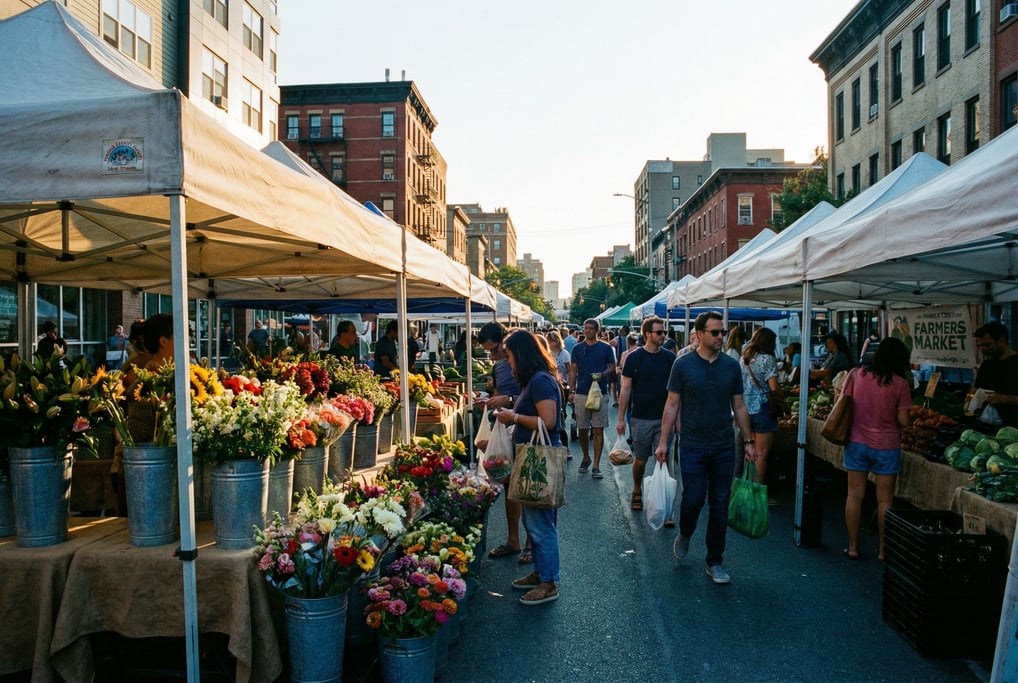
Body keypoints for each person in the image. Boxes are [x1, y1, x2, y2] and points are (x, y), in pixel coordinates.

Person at [655, 311, 756, 585]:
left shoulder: (731, 366)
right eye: (715, 332)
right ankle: (686, 532)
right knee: (693, 499)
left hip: (723, 445)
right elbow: (672, 404)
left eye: (723, 332)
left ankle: (715, 561)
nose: (721, 336)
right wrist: (664, 442)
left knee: (720, 504)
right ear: (699, 334)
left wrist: (748, 441)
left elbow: (739, 405)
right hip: (692, 444)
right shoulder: (683, 365)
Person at [494, 329, 563, 606]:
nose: (508, 363)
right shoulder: (535, 380)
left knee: (542, 524)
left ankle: (548, 583)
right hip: (530, 455)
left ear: (521, 355)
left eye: (509, 356)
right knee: (534, 521)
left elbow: (547, 421)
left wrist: (514, 417)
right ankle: (540, 573)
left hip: (539, 459)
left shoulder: (541, 381)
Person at [842, 336, 913, 561]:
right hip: (887, 445)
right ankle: (883, 551)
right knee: (885, 500)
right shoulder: (901, 384)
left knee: (854, 495)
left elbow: (843, 401)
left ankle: (853, 547)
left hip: (857, 442)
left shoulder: (856, 375)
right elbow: (903, 421)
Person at [476, 322, 532, 563]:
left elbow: (533, 399)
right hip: (505, 429)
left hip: (527, 429)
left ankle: (531, 544)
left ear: (504, 341)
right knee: (509, 486)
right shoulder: (499, 367)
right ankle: (513, 540)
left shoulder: (526, 364)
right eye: (488, 352)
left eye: (494, 349)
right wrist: (490, 402)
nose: (492, 355)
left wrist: (508, 400)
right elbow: (500, 393)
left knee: (528, 489)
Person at [617, 317, 676, 516]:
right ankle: (637, 489)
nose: (663, 336)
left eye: (664, 332)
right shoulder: (634, 358)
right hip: (641, 417)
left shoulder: (669, 358)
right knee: (641, 459)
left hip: (665, 418)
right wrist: (620, 419)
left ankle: (664, 504)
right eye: (659, 332)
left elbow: (677, 392)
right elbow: (625, 389)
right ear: (647, 334)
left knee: (664, 460)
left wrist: (678, 419)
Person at [569, 318, 616, 479]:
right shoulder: (577, 348)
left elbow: (612, 368)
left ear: (597, 330)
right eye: (585, 328)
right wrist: (571, 390)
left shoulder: (606, 348)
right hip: (582, 392)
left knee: (598, 429)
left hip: (600, 392)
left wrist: (603, 374)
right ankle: (585, 457)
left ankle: (596, 464)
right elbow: (573, 370)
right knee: (582, 428)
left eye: (591, 328)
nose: (587, 331)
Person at [740, 328, 784, 491]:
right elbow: (773, 387)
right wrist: (781, 397)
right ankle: (756, 492)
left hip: (746, 409)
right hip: (763, 409)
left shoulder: (745, 358)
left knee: (749, 452)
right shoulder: (768, 359)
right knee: (761, 454)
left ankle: (747, 488)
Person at [972, 321, 1018, 428]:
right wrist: (971, 398)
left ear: (1001, 341)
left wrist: (1004, 399)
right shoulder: (987, 364)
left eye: (987, 345)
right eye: (980, 346)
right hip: (985, 426)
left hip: (1013, 429)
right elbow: (976, 389)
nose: (983, 349)